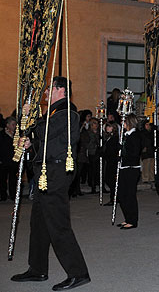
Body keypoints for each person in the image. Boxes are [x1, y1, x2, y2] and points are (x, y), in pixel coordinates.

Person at [11, 76, 91, 291]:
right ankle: (37, 269)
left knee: (57, 223)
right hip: (45, 171)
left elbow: (46, 130)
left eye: (49, 89)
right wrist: (30, 144)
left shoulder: (68, 113)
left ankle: (78, 272)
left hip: (56, 173)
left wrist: (30, 115)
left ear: (60, 90)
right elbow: (44, 140)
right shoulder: (53, 113)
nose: (46, 93)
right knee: (39, 223)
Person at [116, 114, 142, 229]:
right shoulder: (126, 135)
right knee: (122, 195)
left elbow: (134, 153)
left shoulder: (135, 136)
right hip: (124, 168)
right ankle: (127, 217)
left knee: (130, 195)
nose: (123, 124)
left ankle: (132, 220)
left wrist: (123, 152)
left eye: (124, 122)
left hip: (131, 169)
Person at [1, 116, 18, 201]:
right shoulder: (2, 135)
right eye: (13, 124)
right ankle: (3, 195)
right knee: (2, 179)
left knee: (13, 179)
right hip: (3, 160)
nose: (14, 126)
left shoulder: (16, 135)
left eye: (15, 124)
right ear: (7, 125)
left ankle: (13, 195)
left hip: (13, 161)